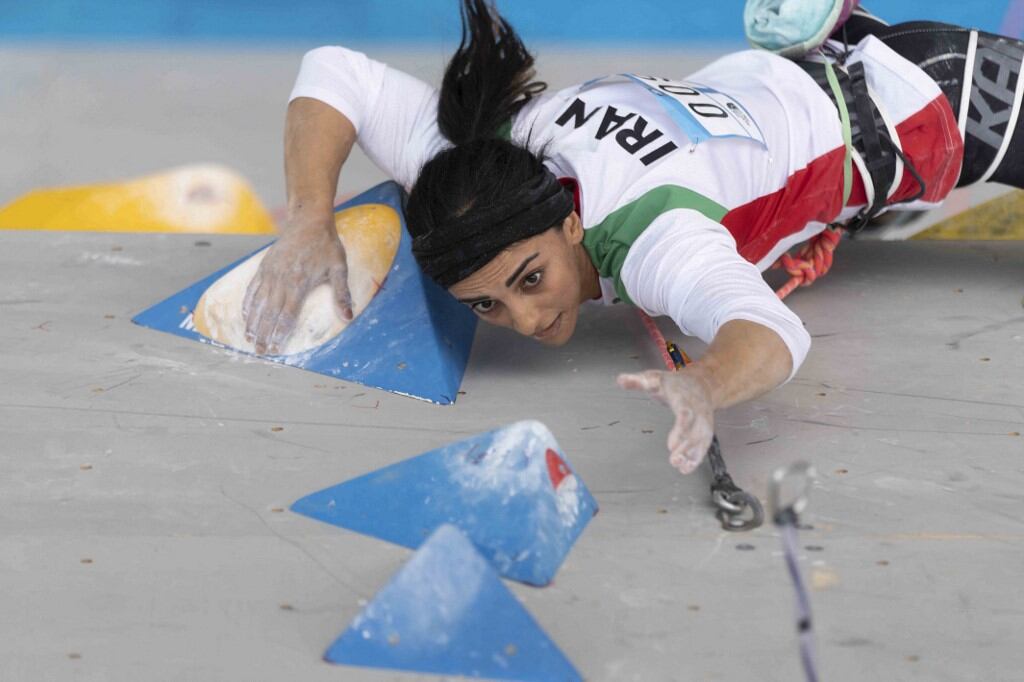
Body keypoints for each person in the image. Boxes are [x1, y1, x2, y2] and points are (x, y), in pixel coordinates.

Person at [242, 0, 1024, 475]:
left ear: (572, 223)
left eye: (528, 280)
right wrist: (309, 218)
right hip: (813, 73)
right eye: (483, 307)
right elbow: (336, 71)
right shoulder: (476, 167)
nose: (526, 321)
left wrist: (706, 383)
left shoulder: (656, 241)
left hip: (935, 107)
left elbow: (774, 333)